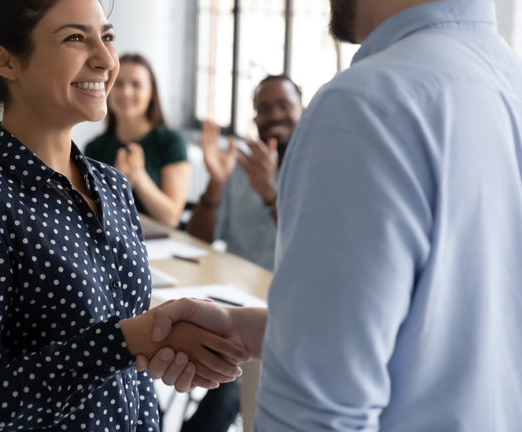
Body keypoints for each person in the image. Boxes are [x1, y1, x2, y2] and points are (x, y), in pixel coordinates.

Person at [138, 0, 522, 430]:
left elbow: (317, 411)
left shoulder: (367, 105)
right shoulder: (505, 76)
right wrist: (242, 327)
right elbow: (441, 330)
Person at [0, 1, 247, 431]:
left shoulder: (111, 185)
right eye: (76, 38)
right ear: (5, 60)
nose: (106, 60)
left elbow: (117, 331)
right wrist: (128, 340)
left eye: (107, 36)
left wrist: (162, 336)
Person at [186, 75, 303, 271]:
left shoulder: (317, 170)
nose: (274, 116)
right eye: (264, 109)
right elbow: (196, 240)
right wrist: (215, 183)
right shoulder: (238, 165)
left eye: (284, 106)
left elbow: (308, 245)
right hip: (234, 286)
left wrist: (270, 194)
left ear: (302, 111)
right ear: (255, 118)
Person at [85, 53, 190, 227]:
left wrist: (139, 178)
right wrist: (118, 185)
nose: (126, 92)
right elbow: (93, 214)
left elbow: (171, 218)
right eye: (118, 84)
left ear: (151, 93)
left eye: (136, 85)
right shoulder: (94, 148)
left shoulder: (171, 142)